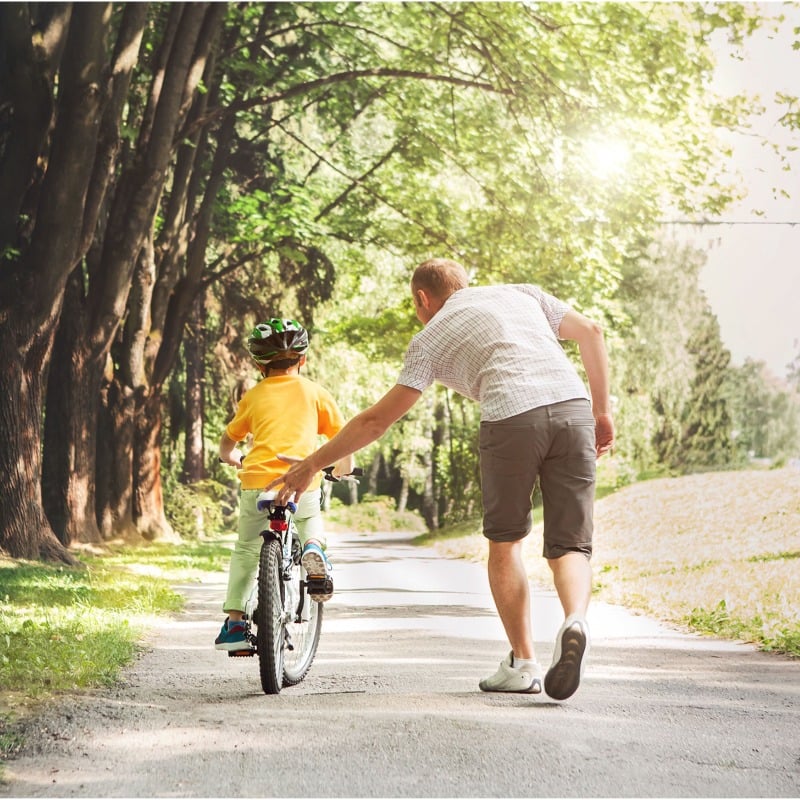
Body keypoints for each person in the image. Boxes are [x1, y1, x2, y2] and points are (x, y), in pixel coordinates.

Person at [267, 259, 614, 700]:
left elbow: (375, 422)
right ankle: (574, 619)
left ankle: (524, 662)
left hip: (511, 417)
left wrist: (311, 463)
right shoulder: (521, 293)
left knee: (505, 543)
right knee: (571, 545)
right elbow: (592, 333)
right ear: (464, 284)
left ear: (421, 299)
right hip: (571, 408)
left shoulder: (430, 337)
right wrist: (601, 412)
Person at [215, 318, 354, 652]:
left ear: (259, 364)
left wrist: (231, 458)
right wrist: (341, 470)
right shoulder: (316, 393)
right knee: (308, 518)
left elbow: (228, 441)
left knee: (248, 548)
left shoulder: (252, 397)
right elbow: (343, 440)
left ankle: (235, 625)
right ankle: (313, 549)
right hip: (302, 481)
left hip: (257, 484)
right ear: (302, 359)